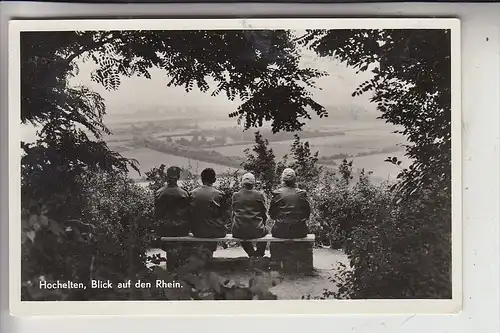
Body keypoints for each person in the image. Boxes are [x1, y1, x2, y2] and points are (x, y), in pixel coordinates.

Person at [154, 166, 192, 270]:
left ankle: (172, 267)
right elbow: (188, 214)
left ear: (166, 177)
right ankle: (178, 266)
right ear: (178, 177)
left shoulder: (159, 193)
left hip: (164, 229)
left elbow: (157, 214)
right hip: (181, 229)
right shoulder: (184, 193)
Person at [190, 168, 227, 255]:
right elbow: (225, 215)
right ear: (214, 180)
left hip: (197, 231)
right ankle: (209, 255)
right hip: (216, 231)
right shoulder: (220, 194)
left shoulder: (192, 193)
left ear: (201, 179)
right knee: (215, 226)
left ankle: (206, 256)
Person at [231, 173, 268, 258]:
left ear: (242, 183)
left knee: (240, 231)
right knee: (266, 231)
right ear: (254, 183)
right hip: (257, 230)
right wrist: (262, 224)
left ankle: (251, 253)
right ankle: (259, 253)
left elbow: (233, 213)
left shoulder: (235, 195)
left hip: (238, 230)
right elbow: (263, 214)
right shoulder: (259, 195)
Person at [268, 168, 311, 239]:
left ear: (282, 180)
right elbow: (307, 214)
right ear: (295, 180)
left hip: (280, 231)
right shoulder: (302, 194)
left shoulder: (277, 194)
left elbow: (272, 215)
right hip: (300, 231)